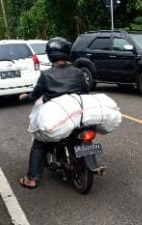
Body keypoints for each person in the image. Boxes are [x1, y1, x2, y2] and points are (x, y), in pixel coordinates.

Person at [18, 37, 89, 189]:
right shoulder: (78, 72)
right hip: (78, 116)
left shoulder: (46, 75)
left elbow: (35, 94)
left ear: (50, 55)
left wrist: (26, 96)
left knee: (39, 143)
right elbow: (85, 92)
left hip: (57, 118)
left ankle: (32, 179)